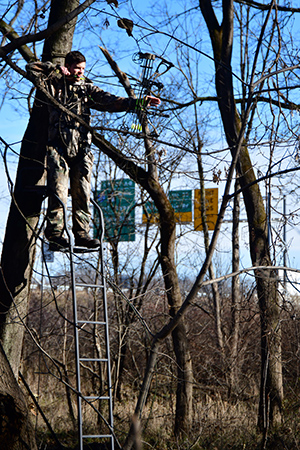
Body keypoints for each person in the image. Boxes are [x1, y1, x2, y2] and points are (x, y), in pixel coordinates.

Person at [26, 51, 160, 250]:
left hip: (81, 149)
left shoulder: (86, 89)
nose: (80, 72)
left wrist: (139, 102)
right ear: (68, 66)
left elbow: (112, 101)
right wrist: (55, 69)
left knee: (83, 192)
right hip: (58, 147)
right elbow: (31, 68)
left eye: (83, 69)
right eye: (76, 68)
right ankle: (55, 235)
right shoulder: (54, 82)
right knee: (58, 191)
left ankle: (82, 234)